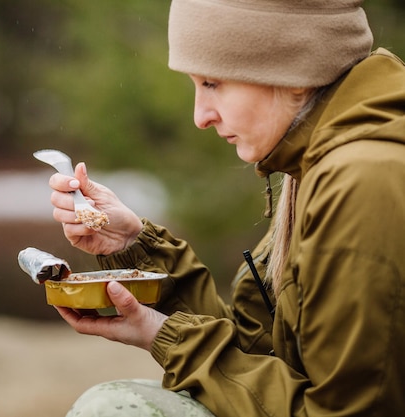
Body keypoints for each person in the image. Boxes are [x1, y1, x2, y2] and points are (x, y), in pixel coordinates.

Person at [46, 0, 405, 416]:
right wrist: (135, 247)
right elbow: (261, 353)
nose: (200, 116)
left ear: (290, 72)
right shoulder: (313, 165)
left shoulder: (361, 183)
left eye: (213, 83)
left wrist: (167, 335)